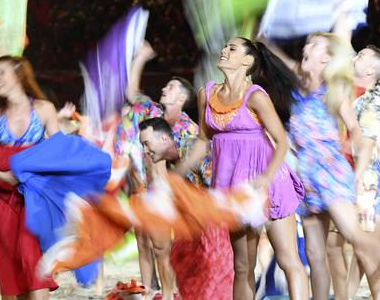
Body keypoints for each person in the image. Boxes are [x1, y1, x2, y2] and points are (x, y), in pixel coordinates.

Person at [175, 37, 308, 300]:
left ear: (247, 61)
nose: (224, 50)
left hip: (269, 184)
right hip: (232, 187)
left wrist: (266, 178)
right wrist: (176, 174)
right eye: (224, 46)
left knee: (287, 260)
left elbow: (281, 142)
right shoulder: (206, 93)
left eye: (232, 48)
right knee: (242, 266)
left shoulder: (256, 96)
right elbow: (203, 141)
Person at [281, 33, 380, 300]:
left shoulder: (338, 90)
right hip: (307, 174)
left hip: (333, 172)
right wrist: (264, 42)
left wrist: (359, 172)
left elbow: (359, 133)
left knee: (356, 240)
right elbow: (287, 64)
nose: (306, 46)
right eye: (307, 43)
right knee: (319, 254)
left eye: (314, 45)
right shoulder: (301, 87)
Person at [0, 55, 60, 300]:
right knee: (9, 261)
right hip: (3, 197)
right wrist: (3, 177)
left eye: (1, 73)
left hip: (35, 196)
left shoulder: (44, 109)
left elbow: (60, 153)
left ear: (18, 74)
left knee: (31, 255)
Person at [120, 41, 202, 300]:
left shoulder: (188, 129)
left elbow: (193, 166)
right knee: (146, 245)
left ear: (182, 98)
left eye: (171, 87)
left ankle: (169, 293)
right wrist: (141, 58)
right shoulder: (152, 113)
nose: (165, 88)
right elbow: (132, 92)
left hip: (169, 195)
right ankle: (148, 292)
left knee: (164, 248)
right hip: (141, 188)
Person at [137, 117, 232, 300]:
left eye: (147, 144)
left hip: (218, 221)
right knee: (179, 259)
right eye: (142, 145)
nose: (145, 151)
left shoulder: (190, 150)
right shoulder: (171, 161)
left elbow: (220, 187)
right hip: (198, 223)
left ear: (164, 139)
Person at [346, 45, 380, 298]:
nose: (355, 55)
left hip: (369, 179)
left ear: (369, 70)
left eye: (361, 55)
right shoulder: (359, 96)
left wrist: (357, 180)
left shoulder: (372, 101)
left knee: (364, 250)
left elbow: (367, 143)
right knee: (360, 250)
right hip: (363, 175)